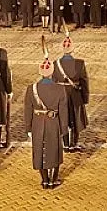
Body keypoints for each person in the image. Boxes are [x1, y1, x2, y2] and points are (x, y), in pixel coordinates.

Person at [24, 57, 67, 189]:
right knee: (55, 150)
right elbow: (63, 111)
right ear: (52, 72)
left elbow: (28, 110)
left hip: (37, 123)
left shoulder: (31, 89)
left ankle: (44, 180)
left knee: (39, 150)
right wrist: (64, 129)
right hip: (53, 123)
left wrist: (28, 128)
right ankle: (53, 180)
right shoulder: (60, 89)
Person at [53, 36, 89, 152]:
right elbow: (84, 82)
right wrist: (85, 98)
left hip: (60, 95)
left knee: (63, 119)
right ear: (72, 49)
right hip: (75, 94)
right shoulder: (79, 64)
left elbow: (53, 83)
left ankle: (65, 144)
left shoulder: (55, 64)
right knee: (75, 119)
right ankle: (73, 143)